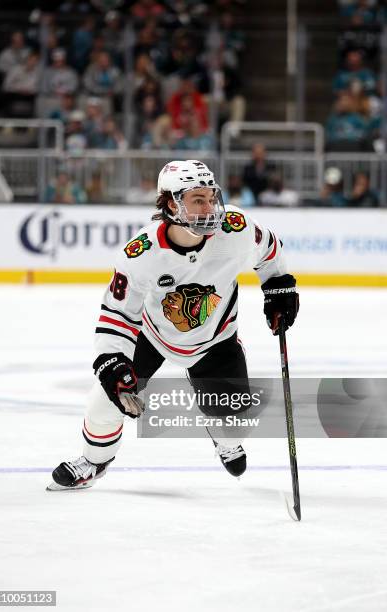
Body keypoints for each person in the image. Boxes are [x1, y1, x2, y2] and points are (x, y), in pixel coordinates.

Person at [47, 160, 299, 491]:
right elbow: (117, 312)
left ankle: (224, 438)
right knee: (104, 399)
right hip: (151, 336)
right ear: (171, 203)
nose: (210, 208)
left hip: (216, 339)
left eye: (212, 198)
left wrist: (278, 286)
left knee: (236, 422)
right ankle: (93, 462)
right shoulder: (141, 252)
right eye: (198, 200)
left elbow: (268, 250)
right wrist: (113, 362)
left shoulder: (235, 228)